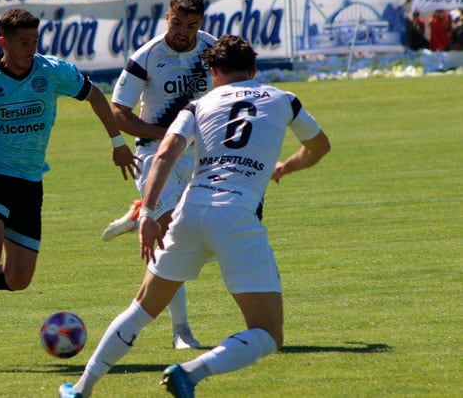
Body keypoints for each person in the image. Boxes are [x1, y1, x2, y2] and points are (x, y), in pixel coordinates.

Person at [59, 34, 331, 398]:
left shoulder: (198, 104)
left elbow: (166, 153)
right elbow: (319, 147)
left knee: (140, 310)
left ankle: (81, 389)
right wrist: (285, 167)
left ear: (214, 72)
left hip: (190, 211)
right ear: (253, 69)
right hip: (237, 216)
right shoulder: (284, 99)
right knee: (267, 333)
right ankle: (190, 372)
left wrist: (149, 213)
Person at [0, 8, 138, 373]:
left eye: (34, 41)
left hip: (30, 181)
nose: (31, 48)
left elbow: (95, 96)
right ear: (3, 43)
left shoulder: (52, 71)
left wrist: (117, 141)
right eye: (23, 42)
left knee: (18, 280)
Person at [101, 0, 217, 350]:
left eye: (192, 25)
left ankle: (141, 213)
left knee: (210, 237)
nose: (184, 32)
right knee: (173, 238)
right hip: (155, 154)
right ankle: (181, 331)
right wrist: (166, 134)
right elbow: (118, 112)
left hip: (200, 157)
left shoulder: (212, 50)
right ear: (167, 17)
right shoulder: (147, 57)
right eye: (178, 23)